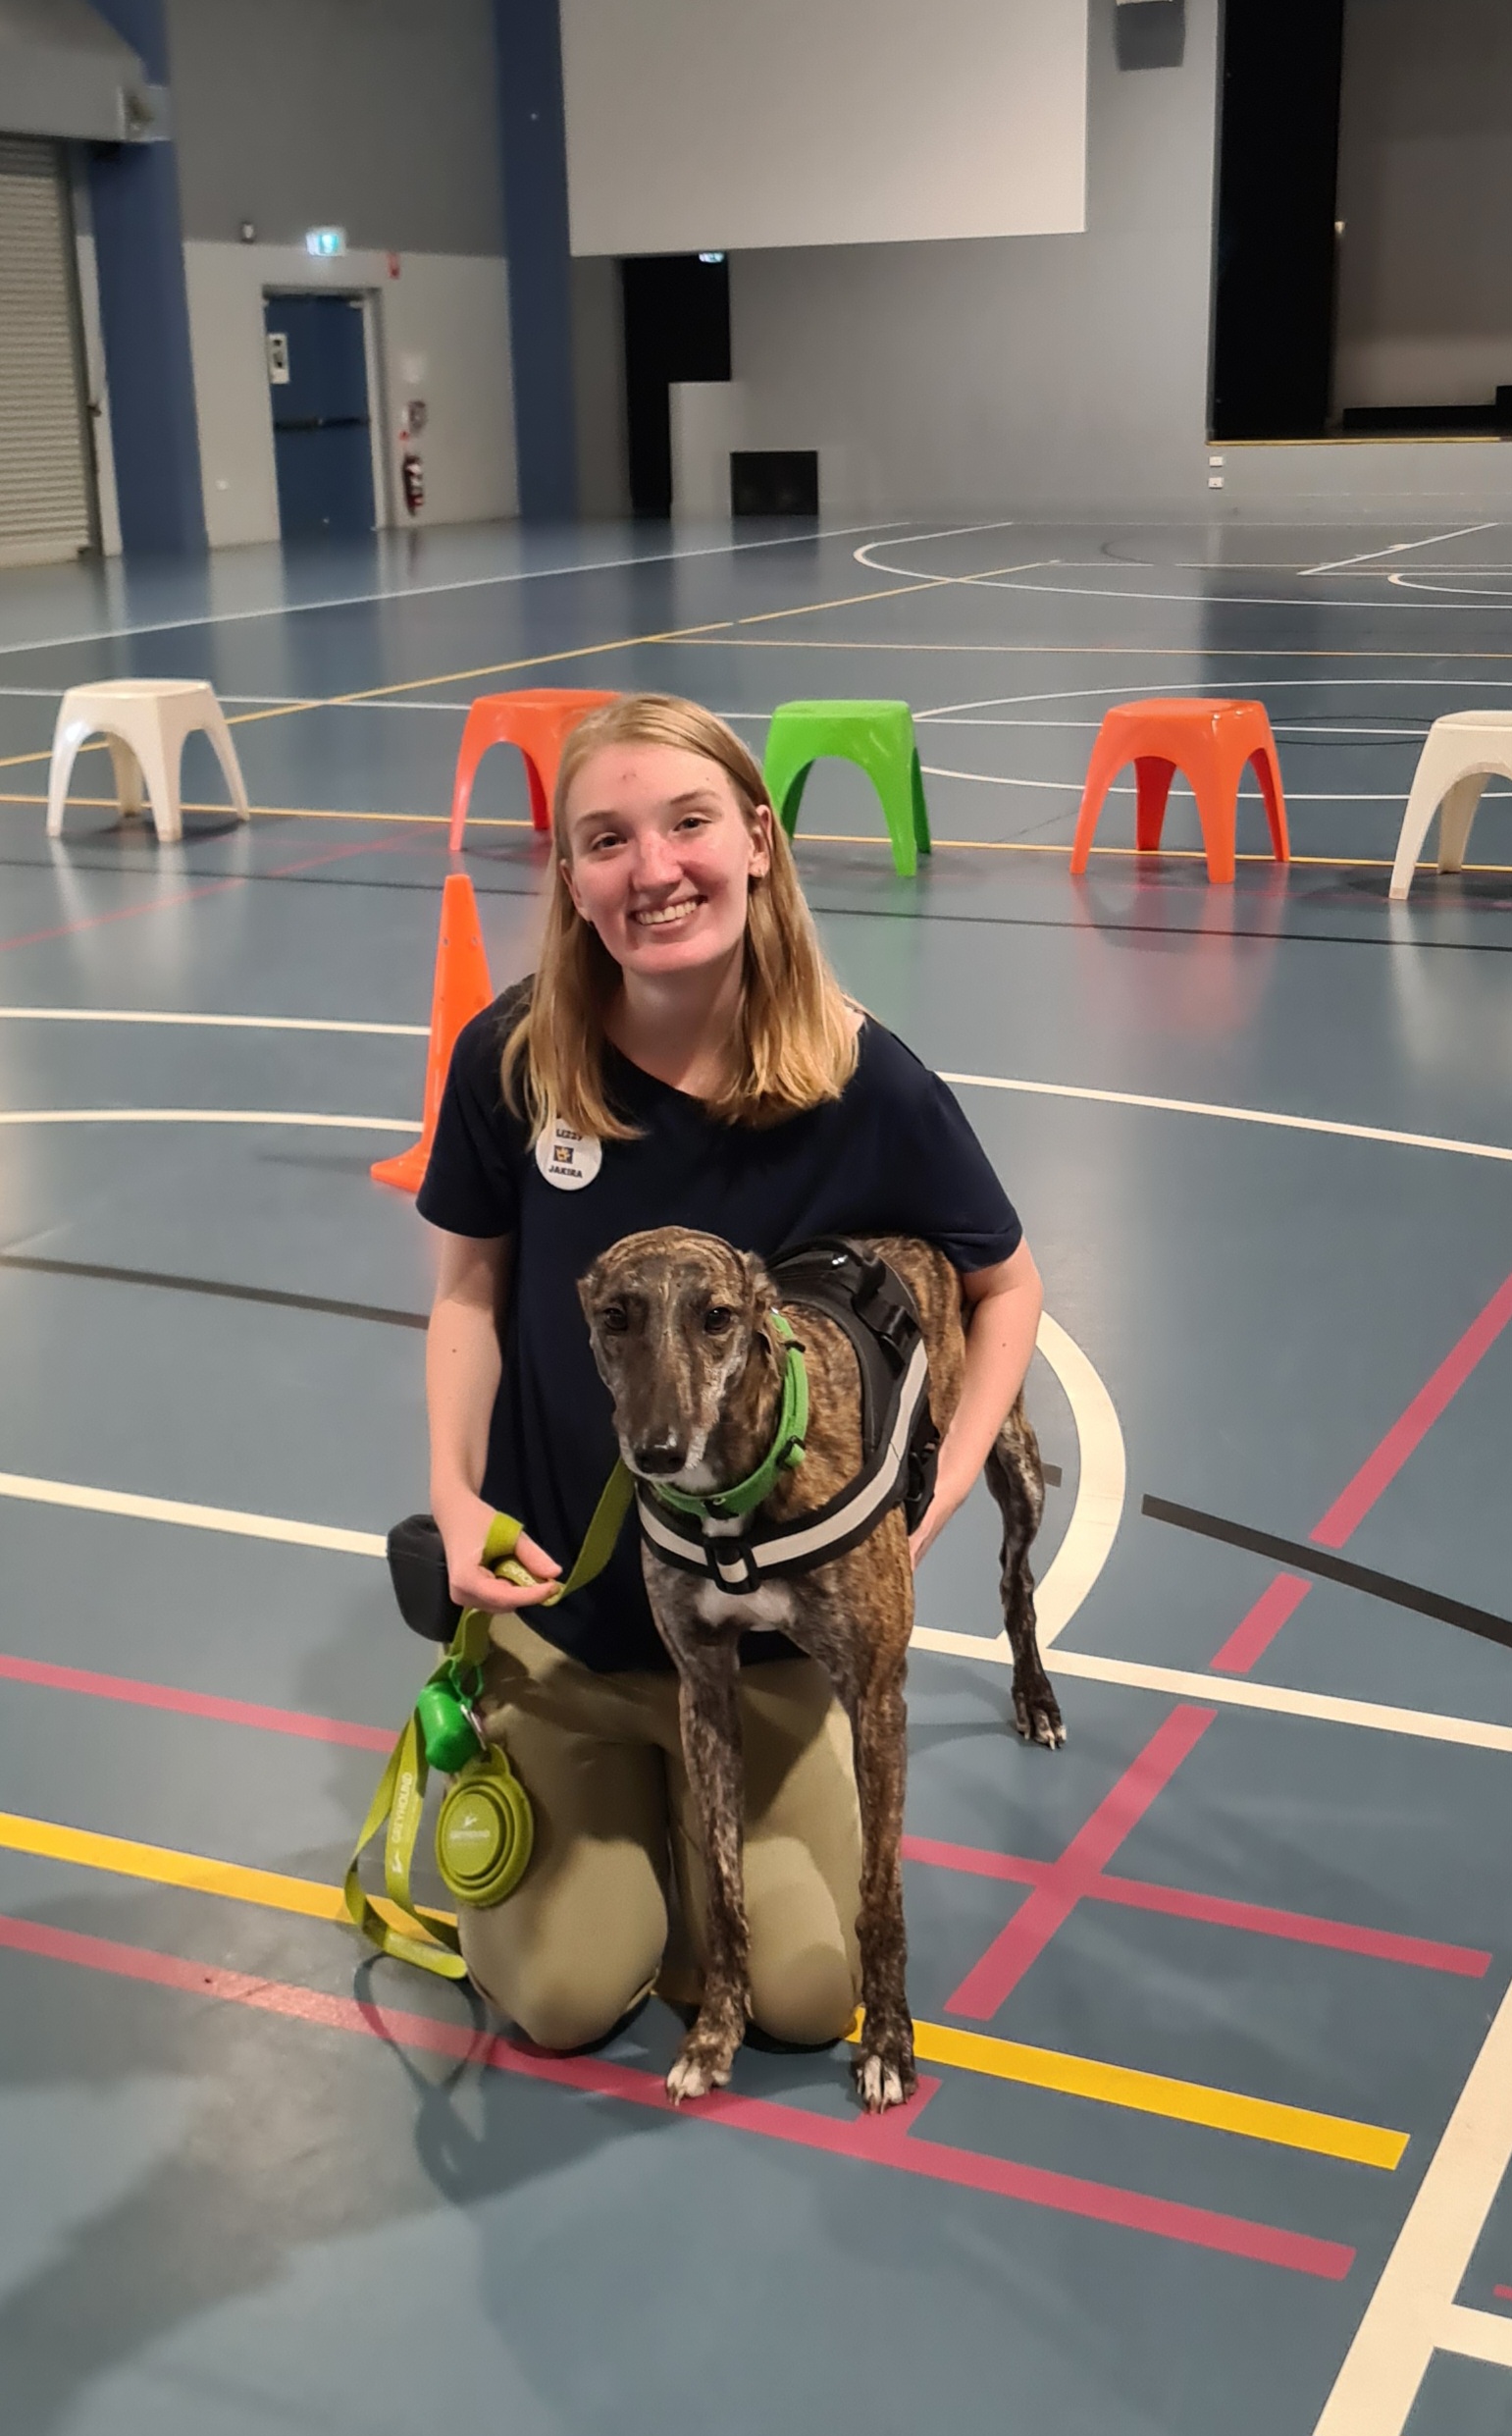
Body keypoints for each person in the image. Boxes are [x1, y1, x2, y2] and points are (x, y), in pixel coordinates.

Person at [418, 692, 1042, 2053]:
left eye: (688, 821)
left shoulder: (860, 1078)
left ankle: (687, 1830)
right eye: (606, 839)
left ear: (758, 837)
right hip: (573, 1626)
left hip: (761, 1650)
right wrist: (456, 1499)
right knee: (567, 1999)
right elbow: (466, 1291)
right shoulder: (514, 1062)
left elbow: (1006, 1288)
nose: (653, 870)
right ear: (571, 876)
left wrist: (925, 1494)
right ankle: (528, 1779)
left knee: (812, 2004)